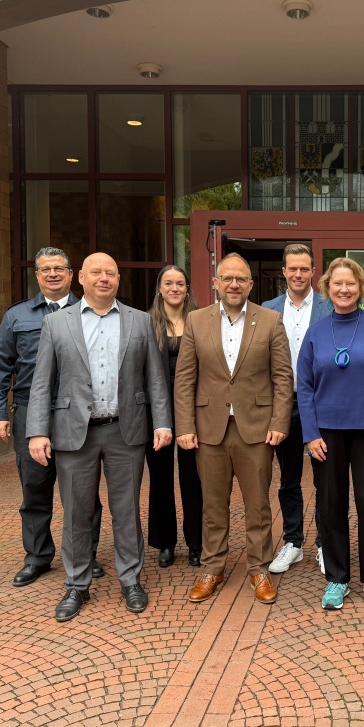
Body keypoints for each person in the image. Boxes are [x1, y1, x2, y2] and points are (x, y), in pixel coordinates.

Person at [27, 252, 172, 622]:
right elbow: (42, 383)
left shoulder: (140, 321)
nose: (103, 278)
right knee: (76, 512)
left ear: (119, 279)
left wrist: (163, 423)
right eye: (96, 273)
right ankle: (76, 585)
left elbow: (155, 378)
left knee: (127, 512)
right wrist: (37, 431)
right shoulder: (57, 324)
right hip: (74, 434)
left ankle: (131, 580)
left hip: (127, 430)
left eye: (110, 272)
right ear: (82, 279)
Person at [175, 253, 292, 605]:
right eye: (227, 278)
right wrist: (184, 424)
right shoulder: (196, 321)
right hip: (208, 427)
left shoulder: (270, 321)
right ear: (215, 282)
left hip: (256, 429)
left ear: (250, 284)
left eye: (241, 279)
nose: (234, 284)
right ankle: (213, 568)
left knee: (258, 505)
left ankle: (259, 569)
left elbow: (282, 377)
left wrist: (280, 421)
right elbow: (184, 379)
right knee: (212, 505)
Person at [0, 247, 104, 588]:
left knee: (83, 490)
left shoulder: (90, 313)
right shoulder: (17, 316)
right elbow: (0, 368)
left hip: (75, 413)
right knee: (34, 488)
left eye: (59, 269)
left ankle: (87, 554)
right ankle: (38, 556)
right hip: (28, 412)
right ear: (37, 276)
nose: (53, 274)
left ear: (72, 275)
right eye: (45, 269)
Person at [299, 257, 364, 610]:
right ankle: (337, 579)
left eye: (351, 283)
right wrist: (310, 434)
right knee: (331, 505)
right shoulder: (316, 332)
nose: (344, 289)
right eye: (337, 284)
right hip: (326, 433)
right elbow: (305, 386)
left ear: (361, 288)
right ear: (327, 289)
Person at [262, 243, 329, 576]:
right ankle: (293, 542)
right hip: (283, 405)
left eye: (305, 268)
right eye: (293, 268)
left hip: (322, 406)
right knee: (288, 479)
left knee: (325, 479)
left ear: (313, 271)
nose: (299, 274)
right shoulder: (266, 309)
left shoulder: (331, 308)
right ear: (284, 271)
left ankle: (323, 544)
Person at [145, 265, 203, 568]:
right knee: (161, 477)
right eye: (168, 283)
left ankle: (197, 542)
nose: (175, 288)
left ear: (187, 288)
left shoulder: (200, 320)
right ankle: (165, 543)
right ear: (159, 288)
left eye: (180, 283)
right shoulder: (146, 322)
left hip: (194, 407)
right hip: (156, 409)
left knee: (194, 477)